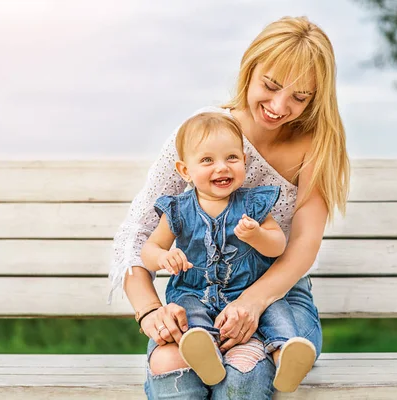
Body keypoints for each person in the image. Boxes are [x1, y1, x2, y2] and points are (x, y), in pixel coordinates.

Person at [109, 15, 350, 399]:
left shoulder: (315, 148)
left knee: (242, 372)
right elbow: (135, 236)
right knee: (171, 366)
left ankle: (268, 351)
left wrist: (251, 303)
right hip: (199, 294)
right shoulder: (203, 134)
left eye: (299, 97)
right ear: (249, 69)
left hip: (277, 298)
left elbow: (304, 246)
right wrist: (151, 310)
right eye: (269, 86)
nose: (278, 106)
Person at [140, 111, 317, 392]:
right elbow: (149, 249)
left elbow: (278, 245)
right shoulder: (178, 209)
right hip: (196, 291)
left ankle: (286, 354)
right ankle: (204, 347)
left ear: (244, 161)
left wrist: (258, 235)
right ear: (185, 171)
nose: (222, 167)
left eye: (231, 158)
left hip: (248, 291)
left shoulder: (253, 204)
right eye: (207, 160)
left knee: (276, 310)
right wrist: (162, 257)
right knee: (189, 313)